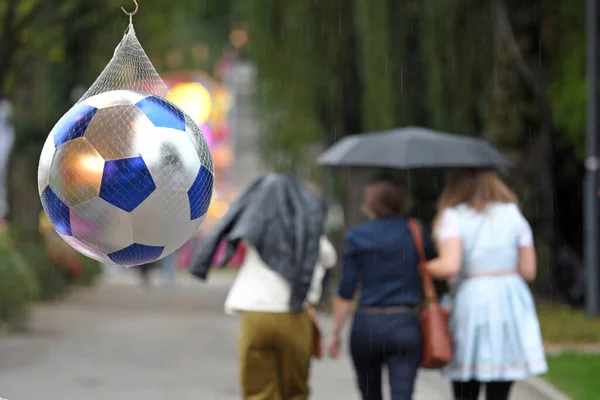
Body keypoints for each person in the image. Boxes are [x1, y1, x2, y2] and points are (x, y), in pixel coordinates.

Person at [190, 173, 336, 400]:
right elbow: (329, 258)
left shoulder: (257, 230)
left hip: (255, 315)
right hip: (294, 316)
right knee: (295, 391)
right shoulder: (310, 237)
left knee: (258, 391)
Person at [426, 168, 547, 400]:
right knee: (501, 380)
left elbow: (450, 265)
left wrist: (424, 266)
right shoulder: (512, 214)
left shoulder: (454, 216)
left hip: (472, 297)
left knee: (466, 378)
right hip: (509, 298)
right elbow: (528, 270)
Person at [327, 177, 431, 400]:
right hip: (404, 322)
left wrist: (336, 331)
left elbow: (346, 290)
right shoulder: (414, 231)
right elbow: (430, 266)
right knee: (403, 395)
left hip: (367, 325)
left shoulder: (357, 236)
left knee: (369, 394)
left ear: (371, 203)